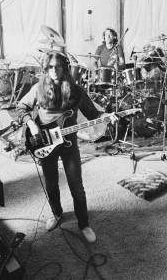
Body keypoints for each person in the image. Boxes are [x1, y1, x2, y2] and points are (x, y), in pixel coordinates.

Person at [16, 51, 117, 243]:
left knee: (76, 185)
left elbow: (93, 114)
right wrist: (31, 123)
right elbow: (21, 107)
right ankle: (56, 213)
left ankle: (84, 223)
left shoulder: (76, 91)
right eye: (50, 67)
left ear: (65, 68)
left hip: (69, 145)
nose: (54, 71)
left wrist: (107, 117)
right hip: (45, 142)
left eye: (58, 66)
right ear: (45, 69)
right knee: (51, 183)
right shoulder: (38, 88)